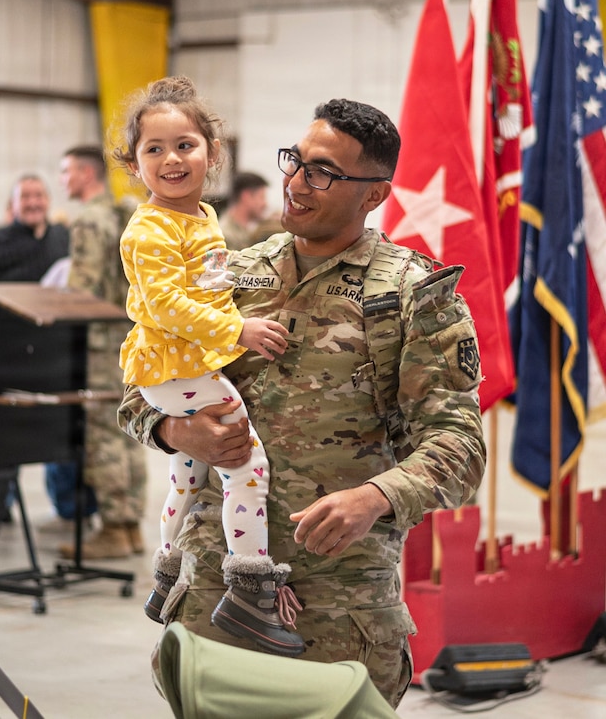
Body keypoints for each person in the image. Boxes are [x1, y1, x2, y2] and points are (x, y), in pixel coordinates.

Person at [118, 98, 486, 708]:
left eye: (324, 172)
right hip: (219, 597)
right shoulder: (231, 272)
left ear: (374, 195)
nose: (296, 183)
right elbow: (139, 386)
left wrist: (376, 497)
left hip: (339, 608)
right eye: (295, 161)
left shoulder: (413, 294)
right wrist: (177, 433)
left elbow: (460, 446)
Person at [109, 77, 302, 657]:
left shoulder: (200, 217)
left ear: (212, 153)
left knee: (188, 476)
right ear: (134, 163)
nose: (171, 159)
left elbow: (212, 284)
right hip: (176, 366)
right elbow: (166, 305)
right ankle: (250, 588)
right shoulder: (150, 229)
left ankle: (166, 573)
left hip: (188, 361)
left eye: (185, 145)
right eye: (154, 149)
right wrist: (239, 330)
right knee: (246, 465)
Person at [47, 144, 148, 559]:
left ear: (87, 174)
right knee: (128, 431)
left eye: (67, 171)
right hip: (128, 337)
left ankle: (112, 527)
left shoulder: (90, 220)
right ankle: (131, 525)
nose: (63, 180)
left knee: (104, 434)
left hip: (99, 343)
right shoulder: (125, 214)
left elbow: (83, 289)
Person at [0, 174, 69, 282]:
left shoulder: (64, 237)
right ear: (13, 204)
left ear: (48, 200)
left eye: (39, 196)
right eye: (25, 197)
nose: (32, 203)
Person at [220, 171, 279, 250]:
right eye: (262, 197)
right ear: (246, 196)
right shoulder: (226, 236)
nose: (265, 204)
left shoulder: (245, 230)